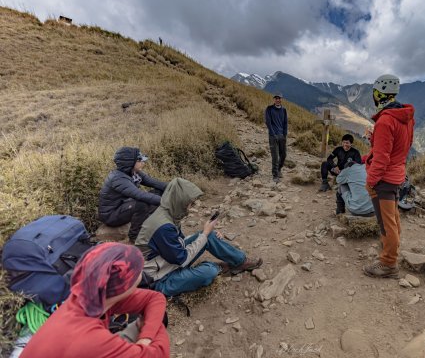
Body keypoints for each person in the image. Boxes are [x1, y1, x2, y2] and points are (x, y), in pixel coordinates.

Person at [21, 243, 169, 358]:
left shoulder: (91, 296)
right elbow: (159, 354)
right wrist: (155, 328)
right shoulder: (90, 339)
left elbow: (154, 298)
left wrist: (146, 336)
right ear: (125, 286)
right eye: (138, 272)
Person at [135, 178, 262, 297]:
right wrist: (204, 234)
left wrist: (206, 234)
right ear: (180, 200)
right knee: (209, 271)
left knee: (209, 236)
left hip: (167, 263)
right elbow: (182, 259)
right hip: (158, 279)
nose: (192, 206)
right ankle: (215, 267)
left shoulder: (167, 214)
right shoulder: (163, 227)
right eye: (190, 202)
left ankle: (240, 262)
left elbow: (177, 244)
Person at [363, 74, 415, 278]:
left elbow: (382, 159)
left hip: (384, 179)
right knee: (392, 218)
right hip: (396, 174)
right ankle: (389, 249)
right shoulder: (405, 116)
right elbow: (399, 147)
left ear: (378, 94)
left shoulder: (385, 121)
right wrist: (373, 144)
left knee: (386, 223)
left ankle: (388, 263)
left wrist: (370, 181)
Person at [99, 147, 167, 243]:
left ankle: (149, 222)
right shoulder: (118, 179)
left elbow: (155, 183)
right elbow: (139, 195)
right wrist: (167, 201)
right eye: (139, 160)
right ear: (129, 163)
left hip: (124, 206)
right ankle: (134, 237)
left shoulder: (134, 172)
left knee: (157, 192)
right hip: (111, 215)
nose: (143, 162)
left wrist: (174, 188)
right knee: (142, 202)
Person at [265, 93, 288, 183]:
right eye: (276, 98)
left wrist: (285, 134)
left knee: (283, 155)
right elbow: (268, 122)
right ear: (274, 99)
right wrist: (273, 134)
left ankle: (279, 169)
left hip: (282, 135)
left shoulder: (284, 110)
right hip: (273, 136)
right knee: (275, 156)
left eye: (279, 98)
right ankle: (275, 175)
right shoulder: (269, 109)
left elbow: (285, 123)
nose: (278, 100)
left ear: (281, 99)